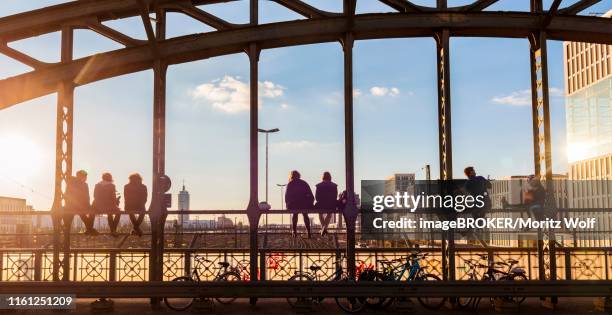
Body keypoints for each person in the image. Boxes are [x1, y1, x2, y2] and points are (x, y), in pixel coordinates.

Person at [65, 170, 98, 235]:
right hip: (78, 206)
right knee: (92, 211)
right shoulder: (83, 184)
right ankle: (89, 228)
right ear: (82, 176)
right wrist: (88, 206)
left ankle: (89, 229)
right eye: (85, 177)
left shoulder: (71, 181)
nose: (86, 178)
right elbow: (86, 197)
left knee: (82, 214)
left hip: (72, 205)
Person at [285, 170, 313, 238]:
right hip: (304, 204)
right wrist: (310, 204)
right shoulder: (304, 183)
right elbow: (311, 195)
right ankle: (308, 232)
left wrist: (287, 205)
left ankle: (294, 231)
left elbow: (287, 196)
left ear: (291, 176)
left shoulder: (290, 184)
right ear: (299, 175)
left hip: (293, 205)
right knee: (305, 215)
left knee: (295, 215)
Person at [93, 172, 121, 237]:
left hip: (98, 206)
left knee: (110, 212)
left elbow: (94, 196)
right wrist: (116, 202)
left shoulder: (97, 185)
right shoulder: (112, 185)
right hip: (109, 206)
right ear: (110, 178)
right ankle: (113, 230)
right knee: (118, 212)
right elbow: (113, 198)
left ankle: (113, 230)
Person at [315, 171, 337, 236]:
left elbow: (317, 197)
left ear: (323, 177)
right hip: (331, 204)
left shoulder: (318, 186)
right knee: (329, 214)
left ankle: (323, 228)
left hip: (321, 204)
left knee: (320, 213)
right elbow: (335, 197)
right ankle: (324, 228)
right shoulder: (334, 186)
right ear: (330, 177)